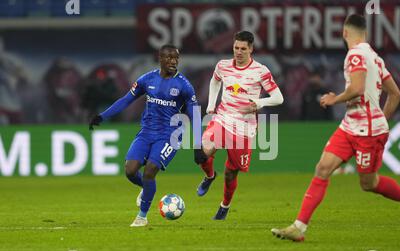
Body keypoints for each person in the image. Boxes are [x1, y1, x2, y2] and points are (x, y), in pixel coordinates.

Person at [271, 15, 400, 242]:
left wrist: (336, 99)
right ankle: (299, 227)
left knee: (368, 183)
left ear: (344, 32)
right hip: (351, 125)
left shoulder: (355, 55)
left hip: (369, 132)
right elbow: (396, 94)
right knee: (323, 168)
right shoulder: (375, 57)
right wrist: (381, 117)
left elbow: (358, 88)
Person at [89, 44, 206, 227]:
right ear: (160, 59)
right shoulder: (147, 79)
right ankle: (146, 189)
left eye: (176, 58)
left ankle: (142, 216)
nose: (173, 61)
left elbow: (195, 116)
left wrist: (198, 146)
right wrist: (103, 116)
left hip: (170, 135)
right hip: (146, 132)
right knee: (130, 170)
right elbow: (126, 99)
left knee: (151, 169)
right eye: (169, 58)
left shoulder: (184, 86)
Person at [195, 31, 284, 220]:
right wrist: (211, 104)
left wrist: (260, 103)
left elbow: (278, 98)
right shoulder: (223, 65)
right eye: (236, 48)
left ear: (251, 49)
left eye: (243, 48)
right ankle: (210, 176)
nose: (239, 52)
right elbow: (214, 81)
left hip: (244, 128)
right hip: (222, 119)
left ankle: (224, 206)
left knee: (230, 174)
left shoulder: (260, 71)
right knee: (201, 153)